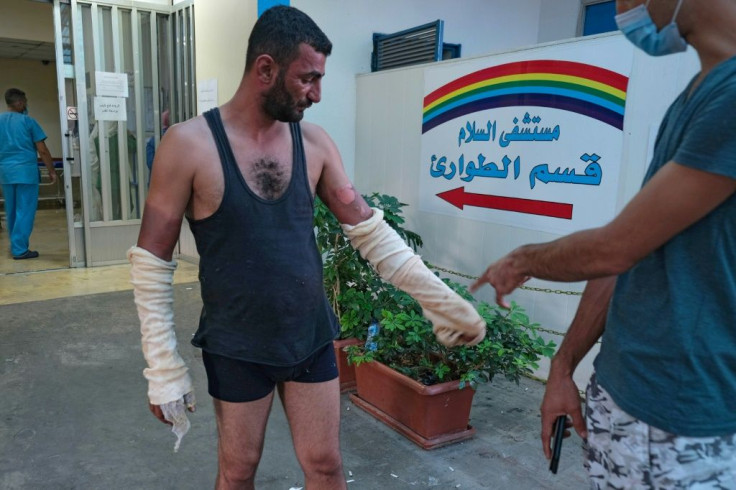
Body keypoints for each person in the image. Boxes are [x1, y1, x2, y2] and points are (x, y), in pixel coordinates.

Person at [128, 6, 485, 489]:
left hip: (310, 337)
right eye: (307, 79)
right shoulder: (188, 145)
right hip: (237, 345)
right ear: (265, 69)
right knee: (237, 471)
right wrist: (163, 366)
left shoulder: (314, 144)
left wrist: (438, 299)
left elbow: (370, 232)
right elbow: (152, 261)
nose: (317, 94)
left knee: (325, 465)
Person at [470, 0, 736, 487]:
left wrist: (521, 260)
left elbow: (615, 247)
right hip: (624, 393)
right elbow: (632, 255)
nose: (620, 11)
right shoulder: (701, 91)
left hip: (683, 419)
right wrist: (563, 366)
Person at [0, 88, 57, 259]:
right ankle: (19, 249)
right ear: (18, 103)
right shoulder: (28, 122)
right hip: (25, 172)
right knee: (25, 210)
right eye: (24, 102)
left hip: (6, 173)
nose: (25, 105)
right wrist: (52, 171)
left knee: (11, 209)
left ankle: (15, 244)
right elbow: (43, 150)